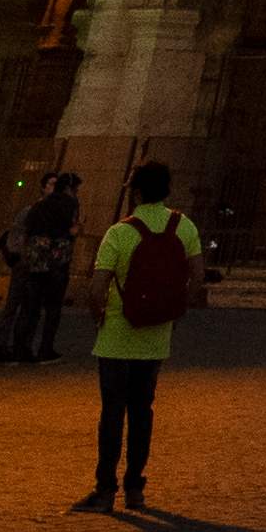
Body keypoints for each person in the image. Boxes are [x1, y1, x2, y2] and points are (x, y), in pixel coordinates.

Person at [84, 160, 202, 508]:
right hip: (155, 338)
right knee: (142, 412)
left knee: (111, 413)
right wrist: (174, 310)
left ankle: (105, 490)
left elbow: (96, 287)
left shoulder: (119, 232)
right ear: (167, 190)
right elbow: (197, 277)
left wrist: (100, 316)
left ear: (135, 192)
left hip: (117, 336)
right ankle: (135, 487)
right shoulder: (185, 227)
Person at [0, 170, 83, 364]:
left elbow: (26, 231)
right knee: (52, 307)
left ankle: (20, 350)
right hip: (57, 259)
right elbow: (70, 230)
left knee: (29, 306)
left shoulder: (38, 207)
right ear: (70, 188)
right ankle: (45, 348)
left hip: (35, 260)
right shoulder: (69, 204)